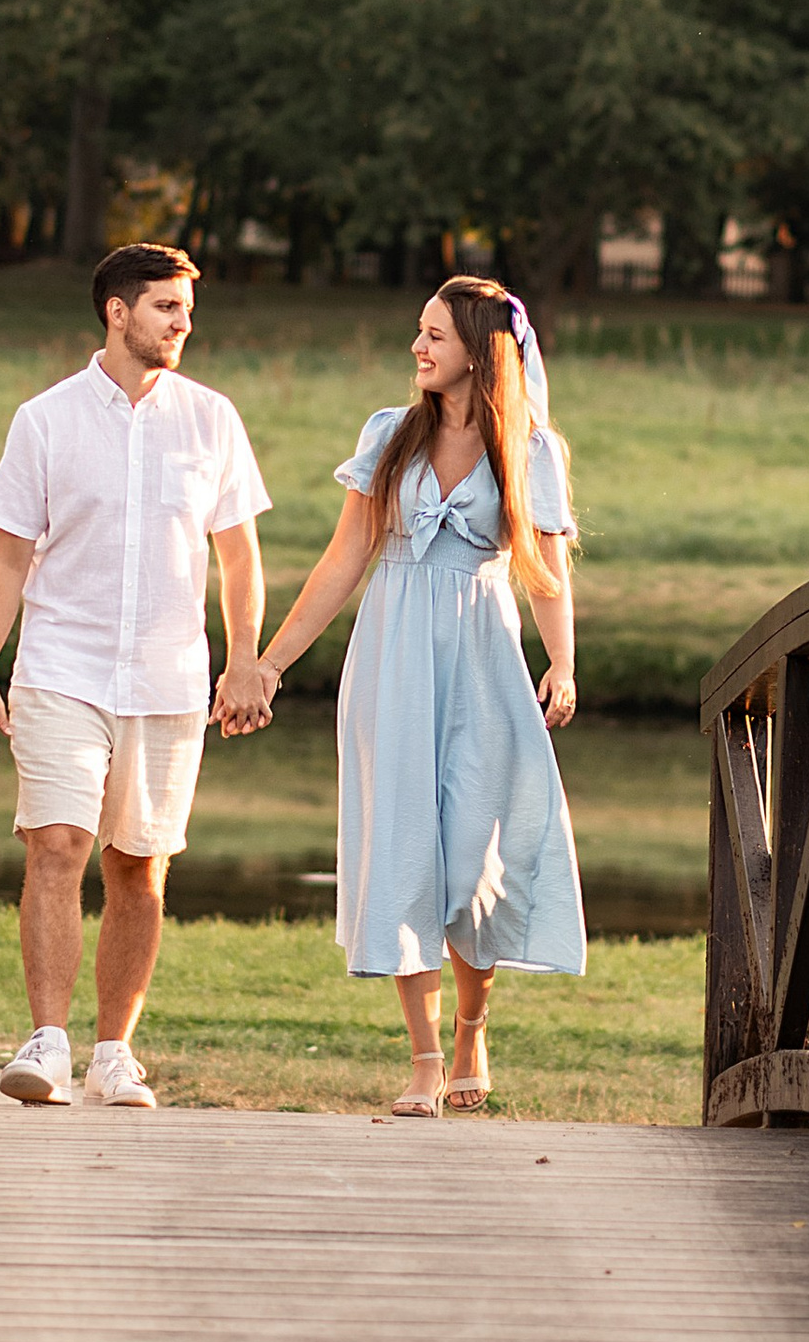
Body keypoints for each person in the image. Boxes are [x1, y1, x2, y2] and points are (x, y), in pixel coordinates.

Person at [239, 277, 583, 1116]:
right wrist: (268, 664)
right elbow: (341, 562)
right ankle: (427, 1059)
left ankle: (474, 1025)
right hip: (392, 656)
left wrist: (563, 663)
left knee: (474, 858)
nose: (419, 348)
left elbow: (546, 572)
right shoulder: (389, 434)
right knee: (403, 851)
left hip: (484, 657)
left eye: (435, 335)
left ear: (478, 348)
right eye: (419, 332)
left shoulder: (531, 449)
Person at [0, 242, 273, 1108]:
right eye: (167, 307)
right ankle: (48, 1042)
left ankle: (113, 1053)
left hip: (169, 679)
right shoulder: (46, 419)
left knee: (139, 867)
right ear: (117, 311)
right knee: (58, 844)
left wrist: (245, 657)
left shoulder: (212, 420)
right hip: (63, 666)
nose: (183, 323)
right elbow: (9, 554)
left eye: (187, 309)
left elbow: (238, 557)